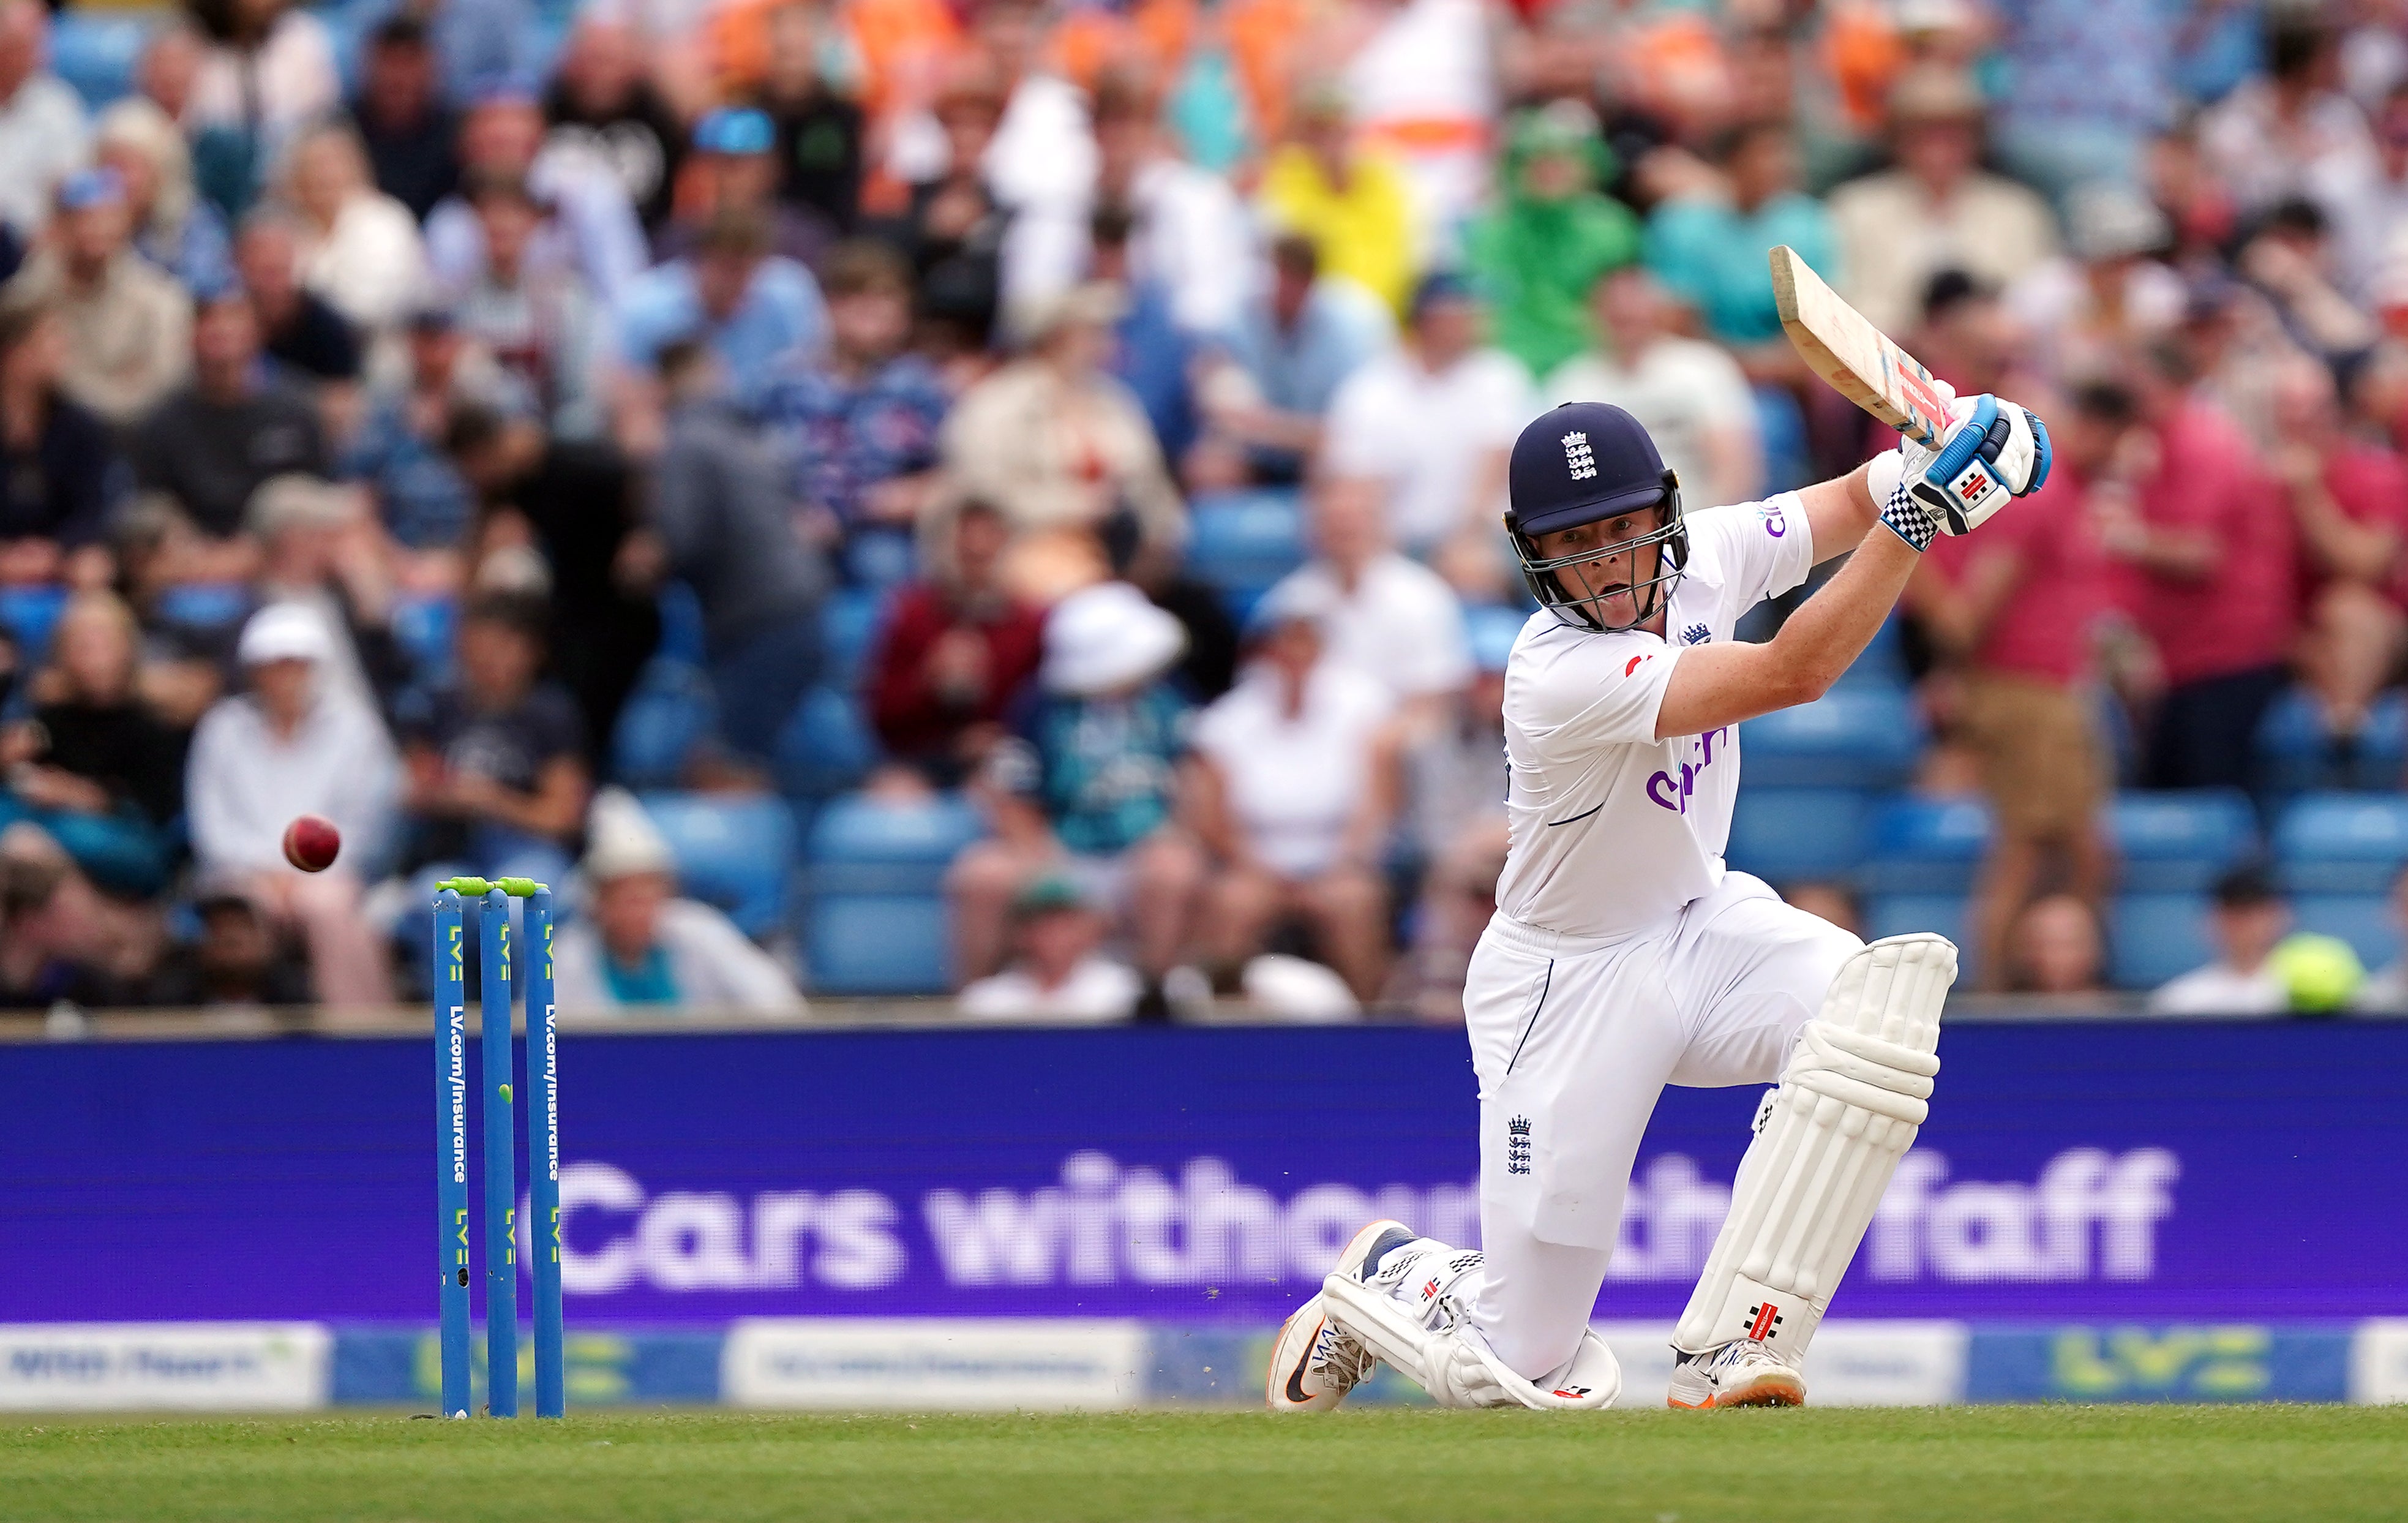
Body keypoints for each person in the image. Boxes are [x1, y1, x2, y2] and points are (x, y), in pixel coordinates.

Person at [1265, 387, 2049, 1414]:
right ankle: (1397, 1276)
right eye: (1574, 541)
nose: (1603, 560)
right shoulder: (1555, 673)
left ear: (1661, 515)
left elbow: (1855, 495)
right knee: (1522, 1371)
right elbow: (1791, 670)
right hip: (1566, 983)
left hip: (1698, 924)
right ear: (1532, 553)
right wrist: (1926, 514)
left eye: (1622, 528)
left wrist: (1955, 444)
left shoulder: (1705, 555)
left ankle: (1740, 1339)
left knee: (1870, 1012)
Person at [1909, 453, 2115, 991]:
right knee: (2026, 855)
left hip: (2035, 691)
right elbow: (1964, 622)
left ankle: (2038, 990)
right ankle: (1998, 998)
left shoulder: (2027, 498)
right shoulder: (2033, 500)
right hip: (2030, 697)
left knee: (2073, 852)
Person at [947, 581, 1203, 988]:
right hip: (1059, 850)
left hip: (1145, 853)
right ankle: (971, 1009)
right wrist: (1047, 861)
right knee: (981, 875)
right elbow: (1012, 793)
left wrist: (1175, 834)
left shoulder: (1169, 698)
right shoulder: (1038, 707)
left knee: (1172, 869)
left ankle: (1155, 1002)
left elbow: (1197, 779)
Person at [186, 603, 400, 1007]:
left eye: (296, 664)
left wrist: (299, 874)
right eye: (274, 665)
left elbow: (364, 824)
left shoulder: (355, 728)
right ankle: (233, 1038)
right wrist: (269, 872)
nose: (286, 677)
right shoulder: (222, 728)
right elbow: (211, 824)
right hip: (240, 873)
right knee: (238, 913)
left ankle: (362, 1030)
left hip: (329, 875)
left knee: (326, 907)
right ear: (255, 671)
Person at [1189, 591, 1398, 1002]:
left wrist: (1344, 861)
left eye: (1306, 643)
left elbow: (1378, 801)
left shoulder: (1365, 708)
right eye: (1285, 643)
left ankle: (1368, 1018)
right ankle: (1221, 1018)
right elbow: (1213, 815)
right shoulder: (1228, 718)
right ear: (1266, 651)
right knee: (1232, 903)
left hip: (1337, 859)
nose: (1295, 655)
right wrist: (1260, 868)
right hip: (1256, 861)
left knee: (1352, 902)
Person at [444, 403, 659, 758]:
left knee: (581, 711)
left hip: (618, 611)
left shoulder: (578, 463)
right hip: (572, 609)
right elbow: (479, 540)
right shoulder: (510, 485)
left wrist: (645, 534)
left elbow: (639, 486)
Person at [652, 339, 828, 767]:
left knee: (731, 765)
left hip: (758, 622)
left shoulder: (688, 439)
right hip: (806, 608)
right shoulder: (753, 435)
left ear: (663, 385)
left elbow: (681, 538)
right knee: (754, 757)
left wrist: (644, 561)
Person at [941, 281, 1186, 563]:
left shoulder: (1114, 399)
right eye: (1094, 331)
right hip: (1025, 550)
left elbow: (1152, 485)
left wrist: (1164, 536)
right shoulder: (996, 404)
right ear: (1057, 336)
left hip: (1122, 551)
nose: (1109, 341)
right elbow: (983, 492)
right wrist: (1074, 508)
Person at [757, 239, 949, 575]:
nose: (878, 317)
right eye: (864, 303)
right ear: (832, 306)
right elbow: (751, 466)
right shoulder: (785, 383)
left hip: (878, 530)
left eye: (891, 305)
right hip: (792, 526)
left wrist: (906, 497)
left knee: (883, 563)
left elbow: (950, 473)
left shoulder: (919, 385)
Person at [1826, 66, 2058, 336]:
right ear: (1897, 140)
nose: (1937, 150)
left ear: (1976, 139)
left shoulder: (2020, 212)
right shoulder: (1854, 209)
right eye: (1921, 135)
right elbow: (1843, 308)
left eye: (1952, 135)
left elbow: (2036, 309)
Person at [1320, 273, 1533, 558]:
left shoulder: (1499, 376)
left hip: (1486, 538)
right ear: (1431, 320)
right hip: (1395, 544)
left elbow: (1496, 465)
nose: (1478, 320)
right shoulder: (1371, 390)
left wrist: (1465, 540)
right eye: (1465, 311)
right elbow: (1356, 485)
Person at [552, 788, 806, 1015]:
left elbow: (777, 1003)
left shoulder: (701, 931)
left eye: (647, 897)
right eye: (625, 899)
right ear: (598, 903)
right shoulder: (569, 954)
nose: (637, 910)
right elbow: (543, 1033)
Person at [397, 592, 590, 888]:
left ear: (532, 651)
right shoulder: (439, 704)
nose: (488, 657)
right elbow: (414, 792)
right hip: (451, 849)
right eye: (479, 644)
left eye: (502, 646)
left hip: (527, 849)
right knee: (432, 900)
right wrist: (448, 796)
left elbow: (562, 816)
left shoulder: (551, 714)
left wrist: (491, 800)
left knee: (515, 906)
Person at [0, 592, 182, 898]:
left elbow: (156, 813)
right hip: (51, 823)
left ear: (128, 649)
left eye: (105, 646)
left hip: (126, 838)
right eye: (83, 647)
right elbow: (25, 780)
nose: (95, 660)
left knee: (30, 840)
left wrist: (82, 796)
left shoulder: (152, 724)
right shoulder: (49, 719)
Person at [1545, 266, 1761, 511]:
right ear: (1592, 314)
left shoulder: (1705, 367)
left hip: (1699, 519)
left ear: (1657, 307)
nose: (1624, 313)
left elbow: (1736, 467)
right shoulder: (1569, 384)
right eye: (1613, 306)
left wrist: (1706, 534)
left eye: (1633, 303)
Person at [865, 495, 1045, 781]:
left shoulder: (1030, 624)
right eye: (966, 551)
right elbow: (880, 715)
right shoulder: (913, 614)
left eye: (988, 550)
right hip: (924, 756)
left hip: (1006, 757)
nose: (977, 556)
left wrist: (1000, 733)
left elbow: (1044, 710)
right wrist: (927, 681)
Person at [1192, 232, 1390, 487]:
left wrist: (1270, 427)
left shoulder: (1353, 327)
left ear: (1310, 282)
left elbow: (1350, 431)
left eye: (1292, 278)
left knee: (1342, 469)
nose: (1281, 287)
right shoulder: (1239, 314)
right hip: (1254, 454)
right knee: (1210, 469)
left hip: (1317, 457)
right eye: (1277, 275)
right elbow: (1214, 395)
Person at [1262, 475, 1469, 718]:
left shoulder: (1423, 597)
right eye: (1333, 521)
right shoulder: (1291, 600)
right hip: (1309, 741)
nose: (1343, 531)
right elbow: (1268, 689)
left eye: (1352, 521)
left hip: (1393, 741)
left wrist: (1383, 743)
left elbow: (1436, 699)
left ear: (1378, 524)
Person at [129, 289, 328, 541]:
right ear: (189, 337)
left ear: (258, 333)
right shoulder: (160, 424)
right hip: (193, 553)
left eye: (234, 318)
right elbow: (150, 508)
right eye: (209, 319)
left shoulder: (296, 412)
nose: (222, 330)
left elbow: (319, 494)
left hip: (283, 548)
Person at [1, 169, 193, 426]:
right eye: (83, 219)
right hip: (52, 437)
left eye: (108, 218)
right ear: (58, 227)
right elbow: (18, 380)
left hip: (139, 439)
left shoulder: (161, 300)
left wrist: (64, 384)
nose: (96, 229)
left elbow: (164, 386)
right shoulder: (27, 298)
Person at [1464, 103, 1640, 382]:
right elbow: (1482, 312)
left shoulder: (1612, 228)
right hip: (1510, 365)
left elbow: (1623, 308)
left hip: (1593, 361)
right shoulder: (1490, 232)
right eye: (1536, 162)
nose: (1548, 173)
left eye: (1560, 162)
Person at [447, 170, 605, 438]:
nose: (500, 223)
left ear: (534, 222)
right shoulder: (452, 304)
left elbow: (581, 399)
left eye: (512, 212)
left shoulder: (565, 300)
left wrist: (541, 443)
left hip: (546, 452)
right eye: (489, 212)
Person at [1258, 81, 1418, 317]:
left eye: (1341, 128)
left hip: (1389, 322)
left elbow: (1407, 262)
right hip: (1317, 325)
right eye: (1319, 129)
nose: (1331, 140)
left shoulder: (1388, 177)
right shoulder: (1286, 178)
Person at [0, 303, 116, 587]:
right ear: (13, 353)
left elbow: (92, 508)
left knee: (94, 566)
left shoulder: (78, 425)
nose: (62, 349)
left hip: (58, 556)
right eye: (49, 339)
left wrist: (55, 550)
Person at [278, 121, 430, 336]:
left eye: (331, 163)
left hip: (378, 349)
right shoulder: (285, 227)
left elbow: (371, 308)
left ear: (355, 168)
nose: (322, 175)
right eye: (312, 165)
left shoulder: (385, 222)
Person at [94, 97, 235, 296]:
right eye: (110, 165)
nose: (119, 179)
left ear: (160, 173)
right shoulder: (85, 227)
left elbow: (203, 290)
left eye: (130, 167)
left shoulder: (197, 223)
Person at [958, 873, 1142, 1021]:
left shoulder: (1124, 991)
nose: (1056, 934)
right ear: (1020, 933)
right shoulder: (986, 1000)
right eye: (1042, 924)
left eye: (1067, 923)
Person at [233, 206, 364, 388]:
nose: (270, 283)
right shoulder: (223, 323)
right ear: (239, 264)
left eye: (278, 269)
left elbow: (343, 398)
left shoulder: (329, 329)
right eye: (261, 270)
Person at [349, 15, 460, 223]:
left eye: (410, 63)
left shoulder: (456, 135)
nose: (399, 79)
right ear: (367, 67)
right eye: (390, 63)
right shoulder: (344, 132)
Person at [0, 0, 91, 243]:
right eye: (17, 46)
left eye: (36, 45)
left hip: (32, 247)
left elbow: (71, 188)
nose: (36, 56)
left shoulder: (59, 107)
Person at [2148, 864, 2292, 1015]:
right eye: (2234, 911)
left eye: (2257, 911)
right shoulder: (2178, 1001)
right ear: (2212, 919)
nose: (2246, 922)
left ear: (2281, 916)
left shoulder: (2299, 995)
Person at [2004, 893, 2106, 998]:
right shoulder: (2002, 1010)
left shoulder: (2116, 1010)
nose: (2057, 957)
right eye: (2045, 945)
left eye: (2068, 945)